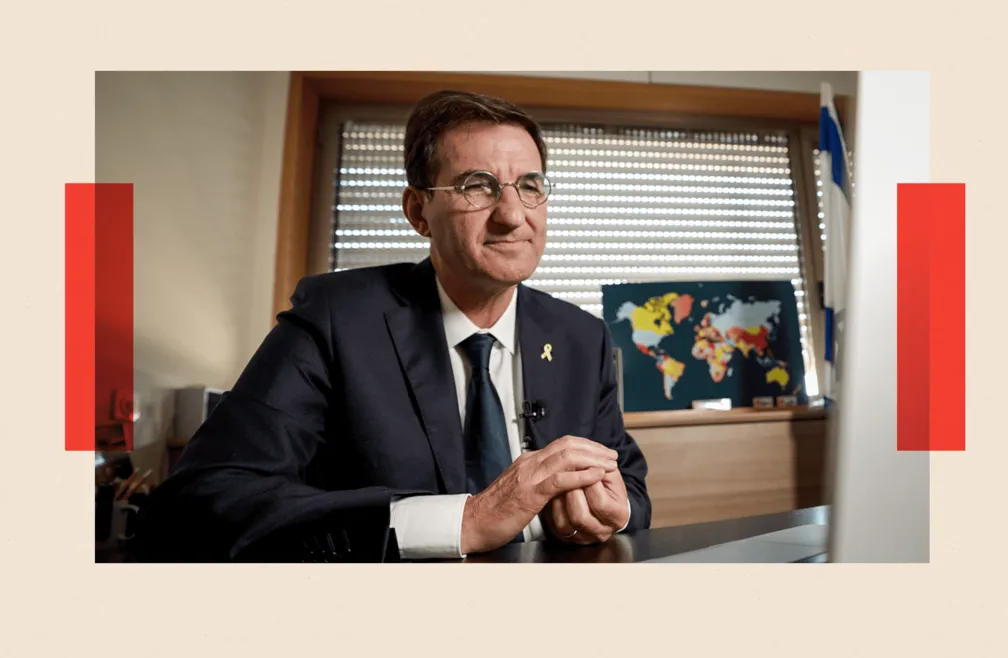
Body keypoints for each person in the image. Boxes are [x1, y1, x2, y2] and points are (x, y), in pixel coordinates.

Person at [135, 89, 651, 562]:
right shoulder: (336, 319)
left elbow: (631, 490)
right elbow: (204, 500)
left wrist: (612, 510)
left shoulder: (581, 337)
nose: (513, 215)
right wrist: (467, 520)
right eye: (478, 186)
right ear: (418, 210)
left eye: (530, 186)